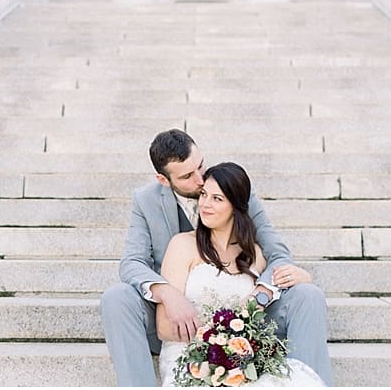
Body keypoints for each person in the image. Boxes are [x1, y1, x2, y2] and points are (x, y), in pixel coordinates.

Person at [100, 129, 332, 386]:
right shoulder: (146, 201)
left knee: (308, 296)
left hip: (246, 319)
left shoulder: (232, 188)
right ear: (163, 180)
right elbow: (132, 263)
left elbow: (278, 254)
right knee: (117, 297)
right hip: (174, 321)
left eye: (200, 165)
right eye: (188, 176)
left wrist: (261, 295)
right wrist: (168, 293)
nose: (201, 180)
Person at [156, 162, 323, 386]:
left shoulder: (255, 254)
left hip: (241, 360)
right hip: (190, 358)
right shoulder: (182, 245)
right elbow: (164, 327)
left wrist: (304, 277)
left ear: (235, 206)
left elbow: (280, 280)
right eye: (204, 194)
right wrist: (218, 341)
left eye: (217, 199)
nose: (205, 204)